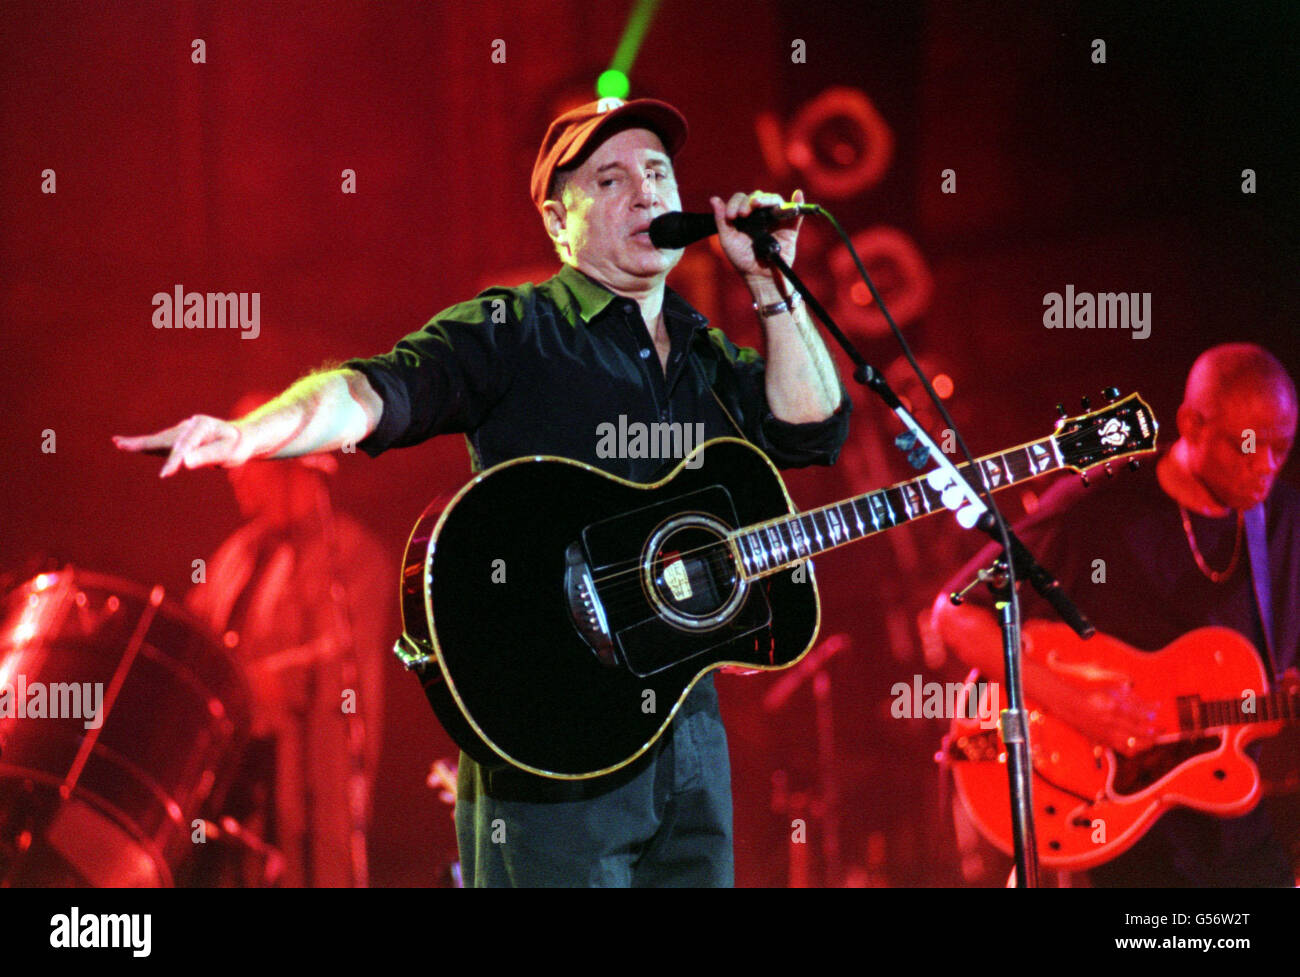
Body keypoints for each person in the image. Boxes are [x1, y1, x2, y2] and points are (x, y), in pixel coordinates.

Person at [115, 96, 851, 887]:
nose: (644, 192)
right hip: (550, 742)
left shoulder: (704, 349)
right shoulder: (516, 328)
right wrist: (254, 434)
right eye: (609, 179)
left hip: (689, 737)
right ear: (556, 221)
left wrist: (769, 280)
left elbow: (812, 431)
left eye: (657, 172)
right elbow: (380, 392)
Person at [932, 343, 1299, 886]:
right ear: (1192, 425)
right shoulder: (1099, 506)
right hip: (1112, 823)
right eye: (1245, 446)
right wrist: (1079, 705)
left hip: (1232, 828)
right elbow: (955, 615)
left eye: (1280, 448)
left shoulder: (1284, 521)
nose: (1264, 467)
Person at [183, 393, 391, 887]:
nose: (229, 473)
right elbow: (190, 651)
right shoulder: (234, 556)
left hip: (309, 809)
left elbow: (335, 665)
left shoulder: (354, 557)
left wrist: (243, 685)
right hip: (230, 801)